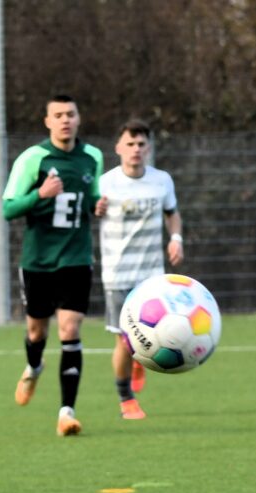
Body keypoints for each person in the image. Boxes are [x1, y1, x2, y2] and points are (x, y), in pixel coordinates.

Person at [2, 94, 103, 436]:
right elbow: (8, 209)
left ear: (78, 119)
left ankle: (66, 413)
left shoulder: (92, 157)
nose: (65, 120)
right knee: (36, 332)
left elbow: (90, 199)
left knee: (70, 330)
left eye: (70, 114)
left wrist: (97, 206)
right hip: (38, 261)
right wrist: (40, 195)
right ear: (47, 121)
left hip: (76, 258)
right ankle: (33, 366)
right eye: (58, 115)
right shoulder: (34, 158)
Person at [93, 118, 184, 420]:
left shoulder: (162, 180)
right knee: (123, 339)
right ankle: (125, 398)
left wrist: (176, 238)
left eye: (141, 144)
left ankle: (137, 361)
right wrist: (96, 209)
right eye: (129, 144)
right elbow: (91, 211)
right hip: (118, 275)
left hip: (152, 278)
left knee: (150, 335)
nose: (135, 150)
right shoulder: (104, 182)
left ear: (149, 148)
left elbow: (172, 214)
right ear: (119, 147)